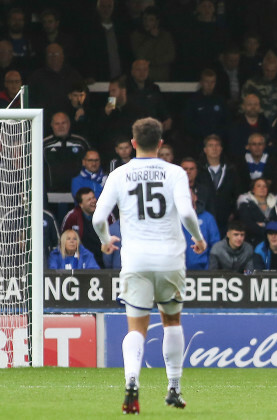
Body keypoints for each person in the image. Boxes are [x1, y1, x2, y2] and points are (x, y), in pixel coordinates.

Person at [93, 117, 207, 413]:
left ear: (132, 144)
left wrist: (106, 239)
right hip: (169, 258)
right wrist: (198, 238)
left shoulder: (120, 173)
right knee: (171, 321)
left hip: (136, 259)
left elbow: (97, 218)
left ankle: (132, 381)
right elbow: (187, 212)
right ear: (160, 143)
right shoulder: (175, 172)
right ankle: (174, 388)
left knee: (136, 326)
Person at [62, 187, 115, 268]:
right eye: (89, 200)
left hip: (104, 258)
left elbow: (115, 235)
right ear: (81, 205)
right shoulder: (72, 217)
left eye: (93, 197)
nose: (93, 201)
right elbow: (63, 240)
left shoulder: (107, 214)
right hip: (81, 261)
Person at [43, 112, 90, 193]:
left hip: (78, 193)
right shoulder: (44, 144)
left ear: (69, 124)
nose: (60, 126)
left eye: (63, 123)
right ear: (51, 125)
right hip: (51, 193)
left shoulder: (81, 143)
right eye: (57, 124)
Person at [130, 6, 175, 81]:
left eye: (151, 20)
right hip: (144, 79)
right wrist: (151, 38)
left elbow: (171, 55)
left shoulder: (166, 36)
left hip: (163, 78)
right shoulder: (136, 36)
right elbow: (139, 55)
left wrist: (153, 61)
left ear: (157, 22)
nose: (146, 23)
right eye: (144, 19)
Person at [237, 178, 277, 246]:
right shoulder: (246, 204)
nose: (262, 188)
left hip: (274, 243)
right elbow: (247, 224)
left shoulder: (275, 203)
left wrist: (263, 224)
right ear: (253, 189)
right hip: (253, 242)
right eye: (259, 186)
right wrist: (269, 228)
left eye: (264, 186)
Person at [184, 190, 220, 270]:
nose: (186, 198)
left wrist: (210, 268)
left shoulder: (208, 218)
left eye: (189, 195)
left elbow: (215, 245)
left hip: (204, 271)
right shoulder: (176, 219)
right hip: (180, 270)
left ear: (195, 197)